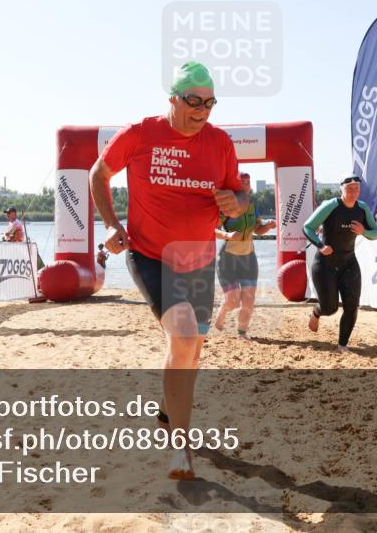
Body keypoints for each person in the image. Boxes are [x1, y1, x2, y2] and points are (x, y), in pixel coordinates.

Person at [89, 60, 246, 480]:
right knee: (183, 335)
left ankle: (166, 414)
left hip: (198, 259)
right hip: (150, 254)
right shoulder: (142, 134)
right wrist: (110, 223)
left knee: (192, 351)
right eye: (194, 101)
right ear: (173, 98)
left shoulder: (221, 143)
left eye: (210, 103)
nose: (203, 111)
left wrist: (237, 202)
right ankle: (180, 447)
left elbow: (240, 193)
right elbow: (98, 173)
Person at [303, 175, 377, 352]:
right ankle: (317, 311)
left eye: (356, 189)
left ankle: (342, 345)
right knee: (330, 309)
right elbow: (307, 227)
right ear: (342, 189)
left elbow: (375, 232)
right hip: (325, 263)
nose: (353, 192)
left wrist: (364, 231)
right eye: (349, 188)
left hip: (349, 262)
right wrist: (321, 246)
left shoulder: (362, 208)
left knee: (352, 305)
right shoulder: (331, 205)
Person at [213, 172, 274, 339]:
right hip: (228, 258)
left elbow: (258, 230)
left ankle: (242, 333)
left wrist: (267, 227)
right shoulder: (228, 206)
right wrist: (227, 235)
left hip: (248, 257)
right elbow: (211, 229)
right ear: (237, 185)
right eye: (242, 182)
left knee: (249, 299)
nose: (246, 185)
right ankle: (223, 311)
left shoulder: (253, 205)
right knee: (233, 301)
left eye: (248, 182)